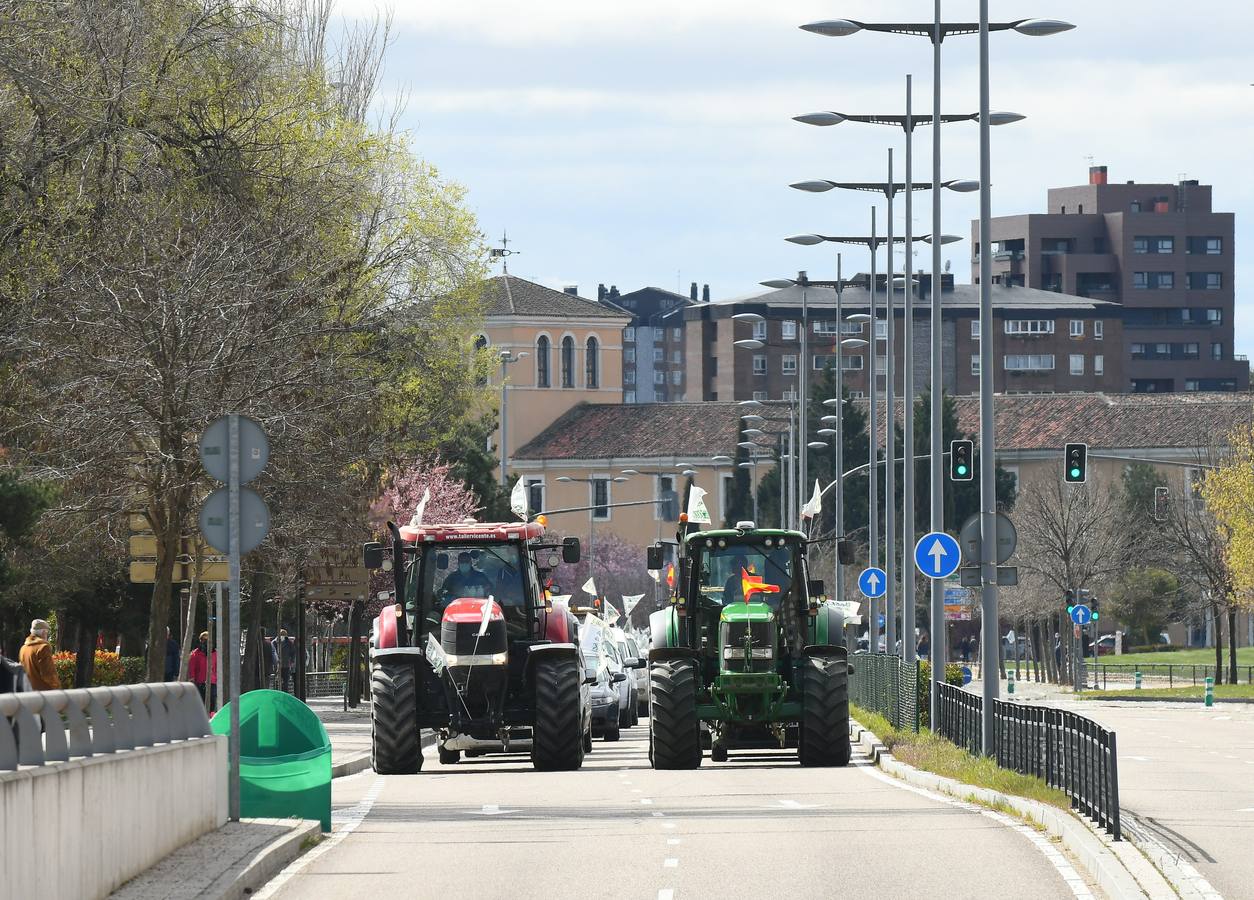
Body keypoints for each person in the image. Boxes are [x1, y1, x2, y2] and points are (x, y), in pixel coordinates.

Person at [20, 619, 60, 691]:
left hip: (27, 693)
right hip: (44, 695)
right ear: (44, 632)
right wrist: (57, 688)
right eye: (47, 632)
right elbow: (48, 674)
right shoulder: (43, 647)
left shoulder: (23, 648)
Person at [188, 631, 217, 709]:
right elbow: (192, 667)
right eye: (203, 640)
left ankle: (211, 717)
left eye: (207, 640)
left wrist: (217, 678)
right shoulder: (196, 653)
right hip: (200, 682)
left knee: (212, 703)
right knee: (201, 703)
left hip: (212, 682)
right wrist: (192, 679)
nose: (205, 642)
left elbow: (217, 668)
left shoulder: (215, 653)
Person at [277, 629, 297, 693]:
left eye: (283, 635)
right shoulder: (276, 642)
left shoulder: (289, 643)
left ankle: (284, 693)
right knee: (278, 681)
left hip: (286, 665)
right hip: (278, 665)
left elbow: (293, 653)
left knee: (285, 682)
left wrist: (292, 662)